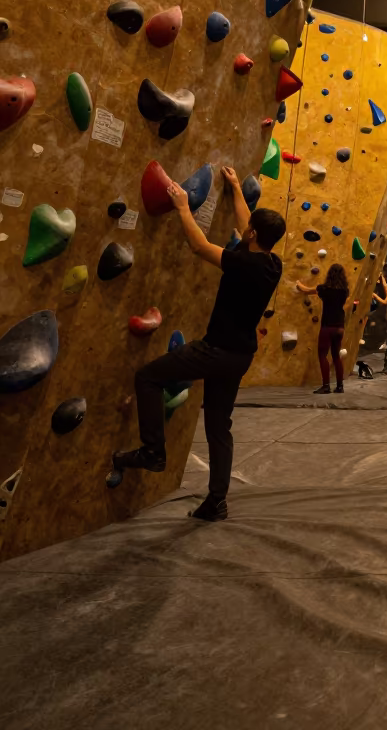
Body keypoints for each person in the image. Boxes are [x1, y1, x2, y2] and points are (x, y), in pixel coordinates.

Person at [112, 166, 285, 521]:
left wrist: (182, 208)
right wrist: (236, 187)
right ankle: (216, 501)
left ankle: (153, 451)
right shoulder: (272, 263)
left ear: (252, 234)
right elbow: (246, 224)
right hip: (240, 357)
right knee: (219, 426)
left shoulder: (241, 263)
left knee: (148, 377)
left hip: (215, 351)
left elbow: (199, 245)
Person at [297, 264, 348, 395]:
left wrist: (297, 282)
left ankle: (326, 386)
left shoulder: (324, 289)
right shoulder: (344, 291)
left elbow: (306, 289)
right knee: (336, 356)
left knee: (322, 355)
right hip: (340, 327)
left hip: (328, 326)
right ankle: (340, 386)